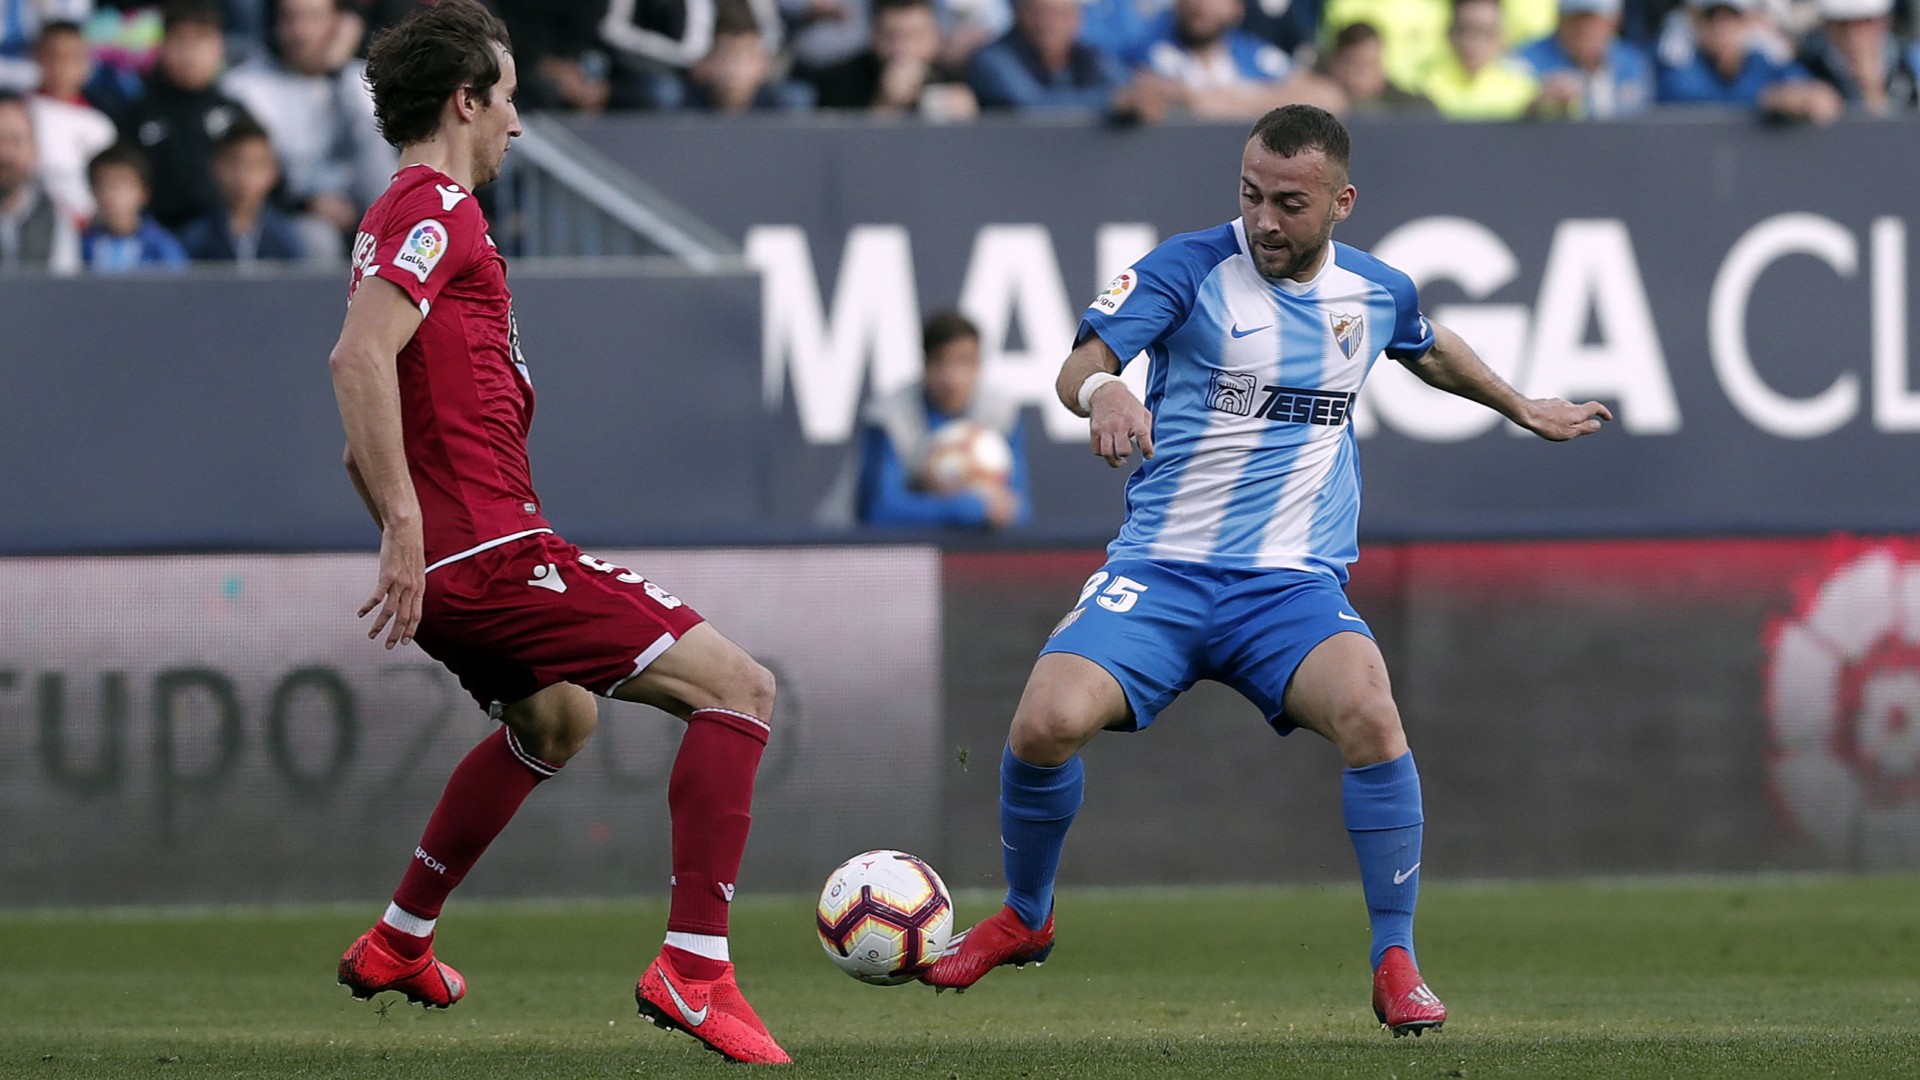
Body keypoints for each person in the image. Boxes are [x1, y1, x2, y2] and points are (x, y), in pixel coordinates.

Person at [920, 105, 1612, 1038]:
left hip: (1288, 587)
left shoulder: (1374, 292)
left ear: (1341, 203)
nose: (1263, 220)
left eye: (1289, 203)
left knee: (1371, 713)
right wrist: (1109, 389)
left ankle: (1396, 960)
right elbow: (1078, 365)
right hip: (1162, 572)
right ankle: (1026, 916)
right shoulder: (1188, 268)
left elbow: (1429, 345)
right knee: (1045, 724)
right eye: (1251, 195)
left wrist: (1521, 406)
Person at [326, 1, 788, 1066]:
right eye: (508, 97)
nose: (518, 122)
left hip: (457, 564)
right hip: (494, 556)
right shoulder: (436, 206)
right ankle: (695, 968)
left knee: (558, 720)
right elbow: (356, 359)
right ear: (465, 102)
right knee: (741, 689)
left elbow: (361, 441)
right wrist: (412, 529)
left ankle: (399, 940)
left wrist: (409, 542)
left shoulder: (398, 216)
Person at [223, 0, 396, 253]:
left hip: (363, 199)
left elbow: (380, 158)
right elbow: (249, 172)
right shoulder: (246, 88)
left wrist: (336, 74)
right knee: (317, 238)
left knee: (376, 144)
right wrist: (306, 203)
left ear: (339, 23)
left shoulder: (363, 80)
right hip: (290, 209)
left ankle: (399, 241)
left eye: (313, 18)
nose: (300, 32)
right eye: (290, 19)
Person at [858, 310, 1031, 530]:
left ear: (978, 366)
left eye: (964, 362)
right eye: (941, 362)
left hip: (978, 549)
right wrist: (967, 508)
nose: (952, 377)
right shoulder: (891, 417)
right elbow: (880, 510)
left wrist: (994, 509)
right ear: (925, 364)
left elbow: (1018, 508)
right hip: (902, 547)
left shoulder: (1001, 413)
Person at [125, 0, 258, 232]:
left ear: (219, 46)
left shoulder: (236, 115)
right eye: (180, 40)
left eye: (201, 40)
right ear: (163, 45)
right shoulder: (135, 115)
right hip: (156, 233)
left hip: (223, 235)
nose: (190, 53)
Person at [1654, 0, 1842, 121]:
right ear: (1697, 22)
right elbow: (1689, 101)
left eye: (1732, 17)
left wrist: (1809, 96)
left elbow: (1807, 90)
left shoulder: (1765, 63)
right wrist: (1767, 100)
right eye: (1712, 17)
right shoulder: (1679, 66)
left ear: (1747, 21)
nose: (1722, 28)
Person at [811, 0, 979, 117]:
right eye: (891, 37)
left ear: (936, 37)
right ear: (873, 36)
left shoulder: (957, 76)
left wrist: (967, 116)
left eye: (915, 36)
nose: (903, 49)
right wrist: (886, 103)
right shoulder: (843, 81)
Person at [179, 117, 305, 261]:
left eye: (256, 165)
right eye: (234, 163)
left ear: (273, 172)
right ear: (215, 166)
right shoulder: (195, 239)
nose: (244, 176)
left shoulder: (288, 238)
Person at [968, 0, 1130, 110]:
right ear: (1018, 13)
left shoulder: (1090, 56)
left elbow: (1125, 87)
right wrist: (1112, 101)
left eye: (1062, 14)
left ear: (1079, 17)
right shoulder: (993, 59)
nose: (1050, 25)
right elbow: (1031, 106)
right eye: (1040, 13)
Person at [27, 20, 115, 217]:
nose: (63, 66)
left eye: (73, 58)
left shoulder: (99, 125)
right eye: (54, 57)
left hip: (85, 222)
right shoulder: (20, 113)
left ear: (87, 64)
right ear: (37, 58)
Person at [1517, 0, 1655, 118]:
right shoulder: (1527, 61)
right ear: (1560, 20)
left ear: (1613, 21)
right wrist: (1538, 103)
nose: (1584, 28)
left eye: (1593, 19)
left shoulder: (1633, 62)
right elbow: (1512, 113)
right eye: (1575, 19)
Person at [0, 89, 80, 274]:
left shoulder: (55, 217)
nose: (4, 154)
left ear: (34, 150)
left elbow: (64, 283)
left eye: (15, 141)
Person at [1420, 0, 1543, 119]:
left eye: (1485, 32)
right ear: (1449, 33)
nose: (1473, 42)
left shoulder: (1525, 92)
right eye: (1464, 31)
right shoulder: (1425, 86)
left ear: (1502, 37)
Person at [685, 0, 815, 111]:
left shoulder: (785, 101)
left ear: (763, 63)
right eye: (724, 58)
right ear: (702, 65)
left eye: (742, 59)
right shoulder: (683, 98)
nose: (733, 70)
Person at [80, 140, 189, 271]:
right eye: (102, 185)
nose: (111, 195)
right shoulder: (84, 244)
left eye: (121, 185)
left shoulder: (162, 246)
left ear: (144, 192)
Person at [1796, 0, 1918, 114]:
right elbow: (1789, 88)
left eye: (1865, 22)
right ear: (1827, 26)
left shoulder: (1911, 59)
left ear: (1885, 21)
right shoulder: (1809, 63)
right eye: (1842, 24)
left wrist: (1873, 88)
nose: (1853, 34)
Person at [1320, 20, 1436, 114]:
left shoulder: (1412, 107)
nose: (1365, 76)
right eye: (1358, 66)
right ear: (1336, 65)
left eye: (1373, 64)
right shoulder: (1320, 104)